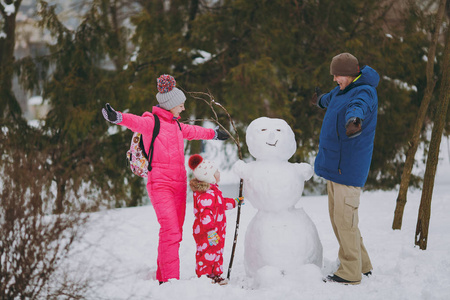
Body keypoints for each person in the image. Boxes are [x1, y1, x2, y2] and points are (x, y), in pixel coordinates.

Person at [102, 74, 229, 284]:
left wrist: (214, 134)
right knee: (170, 230)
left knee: (175, 233)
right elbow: (135, 121)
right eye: (181, 105)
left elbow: (195, 131)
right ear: (170, 104)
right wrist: (117, 117)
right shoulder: (152, 123)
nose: (183, 109)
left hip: (179, 185)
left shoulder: (178, 126)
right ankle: (170, 282)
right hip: (160, 184)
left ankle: (163, 277)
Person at [311, 53, 379, 285]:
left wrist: (354, 120)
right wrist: (320, 99)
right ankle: (362, 264)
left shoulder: (363, 91)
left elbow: (358, 106)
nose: (334, 80)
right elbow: (329, 99)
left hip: (347, 167)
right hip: (335, 166)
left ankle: (350, 272)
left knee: (344, 220)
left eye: (337, 75)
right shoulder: (343, 90)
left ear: (350, 74)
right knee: (342, 219)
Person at [188, 154, 243, 285]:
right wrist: (211, 231)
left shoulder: (214, 191)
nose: (219, 173)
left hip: (217, 231)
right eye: (216, 171)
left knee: (217, 252)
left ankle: (215, 274)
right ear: (209, 176)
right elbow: (205, 215)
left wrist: (235, 202)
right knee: (207, 252)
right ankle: (204, 276)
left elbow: (221, 204)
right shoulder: (205, 195)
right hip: (207, 232)